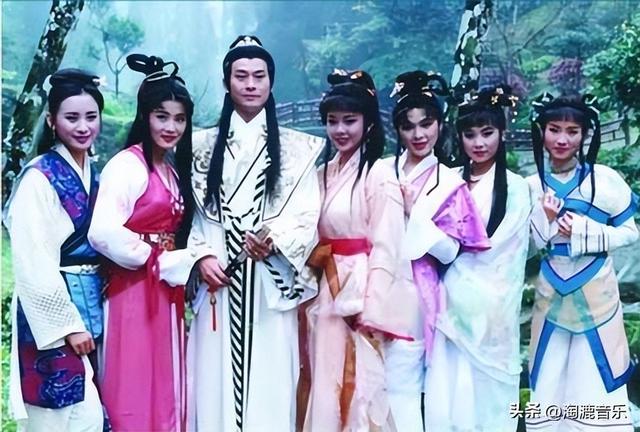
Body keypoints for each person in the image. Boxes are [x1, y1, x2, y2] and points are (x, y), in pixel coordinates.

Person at [186, 35, 324, 432]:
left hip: (268, 278)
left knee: (272, 376)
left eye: (259, 76)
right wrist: (201, 256)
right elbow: (190, 217)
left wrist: (274, 237)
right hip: (218, 278)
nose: (250, 84)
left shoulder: (298, 150)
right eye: (241, 75)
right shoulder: (199, 145)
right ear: (227, 82)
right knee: (212, 378)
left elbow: (306, 214)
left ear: (271, 82)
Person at [88, 54, 200, 431]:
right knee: (134, 381)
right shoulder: (127, 165)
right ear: (144, 116)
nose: (171, 127)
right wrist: (155, 258)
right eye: (161, 116)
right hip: (132, 289)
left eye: (179, 119)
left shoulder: (171, 169)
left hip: (165, 287)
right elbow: (102, 231)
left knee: (164, 379)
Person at [301, 69, 413, 432]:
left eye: (350, 120)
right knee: (324, 377)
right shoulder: (322, 174)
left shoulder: (379, 174)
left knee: (359, 382)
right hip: (325, 286)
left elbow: (387, 246)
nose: (340, 130)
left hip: (359, 290)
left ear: (368, 123)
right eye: (332, 121)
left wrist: (372, 309)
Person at [385, 70, 490, 432]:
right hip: (374, 282)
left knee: (404, 385)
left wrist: (414, 214)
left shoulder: (450, 182)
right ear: (397, 130)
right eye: (408, 126)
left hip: (418, 291)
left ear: (440, 125)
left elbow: (450, 252)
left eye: (426, 124)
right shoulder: (382, 171)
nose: (418, 134)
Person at [526, 93, 638, 431]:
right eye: (554, 129)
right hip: (551, 289)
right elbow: (527, 247)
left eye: (572, 131)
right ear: (541, 132)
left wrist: (584, 230)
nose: (562, 139)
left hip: (597, 289)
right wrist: (546, 220)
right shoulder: (529, 186)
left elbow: (629, 232)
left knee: (595, 371)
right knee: (548, 371)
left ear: (585, 134)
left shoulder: (605, 180)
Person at [423, 85, 531, 431]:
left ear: (502, 133)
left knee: (488, 396)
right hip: (448, 301)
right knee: (449, 393)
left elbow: (505, 249)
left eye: (487, 133)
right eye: (470, 135)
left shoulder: (517, 187)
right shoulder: (446, 180)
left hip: (492, 304)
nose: (479, 142)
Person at [4, 69, 106, 431]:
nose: (83, 126)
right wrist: (67, 326)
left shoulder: (95, 173)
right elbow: (33, 260)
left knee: (90, 417)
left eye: (91, 116)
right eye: (72, 117)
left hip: (90, 304)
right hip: (50, 316)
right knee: (54, 416)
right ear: (51, 121)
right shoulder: (39, 177)